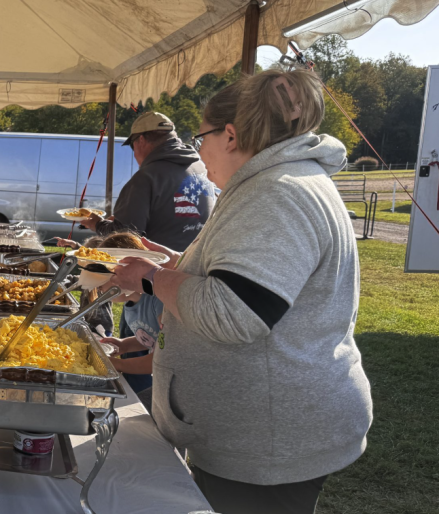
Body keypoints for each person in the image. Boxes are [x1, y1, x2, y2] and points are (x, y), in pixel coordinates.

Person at [110, 69, 372, 514]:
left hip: (268, 442)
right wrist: (175, 262)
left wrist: (151, 278)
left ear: (229, 136)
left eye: (201, 138)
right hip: (260, 434)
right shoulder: (271, 184)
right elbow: (246, 279)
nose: (198, 151)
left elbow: (233, 312)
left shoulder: (277, 193)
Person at [81, 111, 215, 253]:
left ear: (141, 141)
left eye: (132, 146)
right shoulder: (200, 167)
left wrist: (97, 224)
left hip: (159, 264)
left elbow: (124, 237)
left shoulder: (146, 177)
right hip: (198, 259)